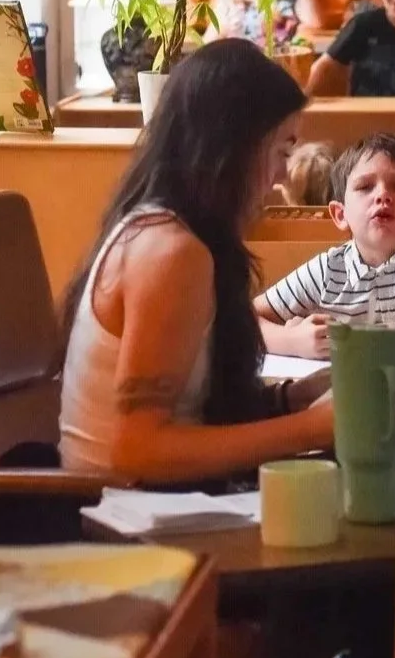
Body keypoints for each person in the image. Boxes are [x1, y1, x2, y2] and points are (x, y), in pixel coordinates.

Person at [57, 38, 334, 484]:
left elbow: (190, 410)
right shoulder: (170, 252)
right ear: (233, 148)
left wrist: (291, 399)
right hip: (120, 511)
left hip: (157, 501)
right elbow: (137, 451)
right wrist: (310, 428)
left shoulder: (164, 230)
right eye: (282, 151)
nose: (283, 174)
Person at [257, 133, 395, 359]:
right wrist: (291, 340)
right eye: (365, 187)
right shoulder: (327, 269)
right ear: (340, 215)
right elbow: (244, 321)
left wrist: (337, 341)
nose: (382, 195)